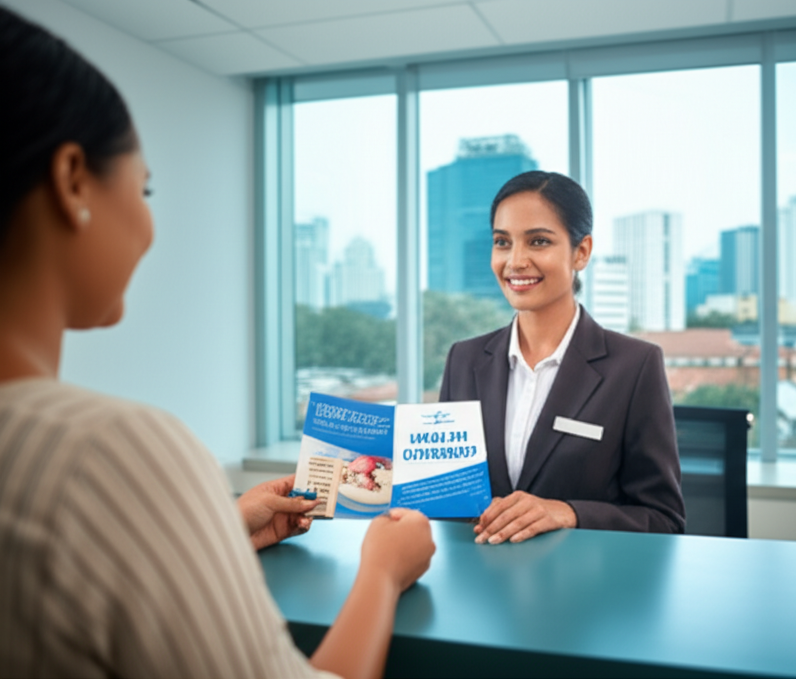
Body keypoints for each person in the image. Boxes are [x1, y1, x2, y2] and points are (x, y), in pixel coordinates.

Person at [0, 8, 434, 679]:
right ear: (73, 180)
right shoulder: (109, 451)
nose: (148, 223)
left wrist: (217, 529)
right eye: (143, 187)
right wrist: (382, 572)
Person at [438, 171, 686, 545]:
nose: (516, 261)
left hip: (581, 594)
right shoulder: (464, 359)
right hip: (480, 589)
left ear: (581, 252)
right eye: (502, 242)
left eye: (538, 241)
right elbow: (443, 499)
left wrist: (568, 512)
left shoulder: (635, 367)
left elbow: (664, 520)